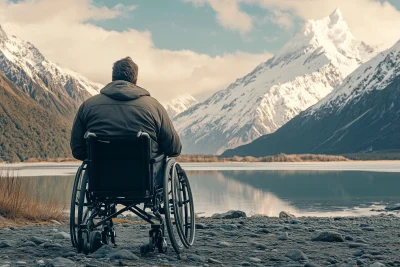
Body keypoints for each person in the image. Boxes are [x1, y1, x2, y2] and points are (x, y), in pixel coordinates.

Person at [70, 57, 182, 160]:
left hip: (100, 179)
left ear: (113, 78)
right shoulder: (154, 107)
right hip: (146, 179)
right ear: (135, 80)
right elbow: (174, 149)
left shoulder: (88, 106)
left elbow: (77, 150)